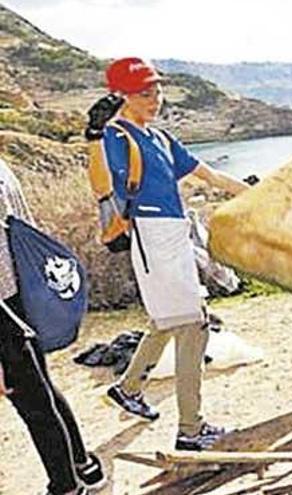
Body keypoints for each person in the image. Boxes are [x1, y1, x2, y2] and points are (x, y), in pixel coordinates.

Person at [89, 57, 250, 451]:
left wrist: (259, 196)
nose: (155, 98)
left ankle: (129, 389)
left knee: (168, 318)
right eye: (144, 92)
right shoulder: (115, 138)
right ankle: (192, 430)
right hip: (152, 235)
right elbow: (101, 184)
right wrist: (94, 135)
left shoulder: (158, 137)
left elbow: (208, 174)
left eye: (157, 89)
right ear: (120, 97)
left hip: (173, 235)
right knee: (193, 325)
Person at [0, 158, 106, 495]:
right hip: (23, 291)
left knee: (31, 401)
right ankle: (83, 466)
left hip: (4, 305)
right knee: (41, 389)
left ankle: (66, 487)